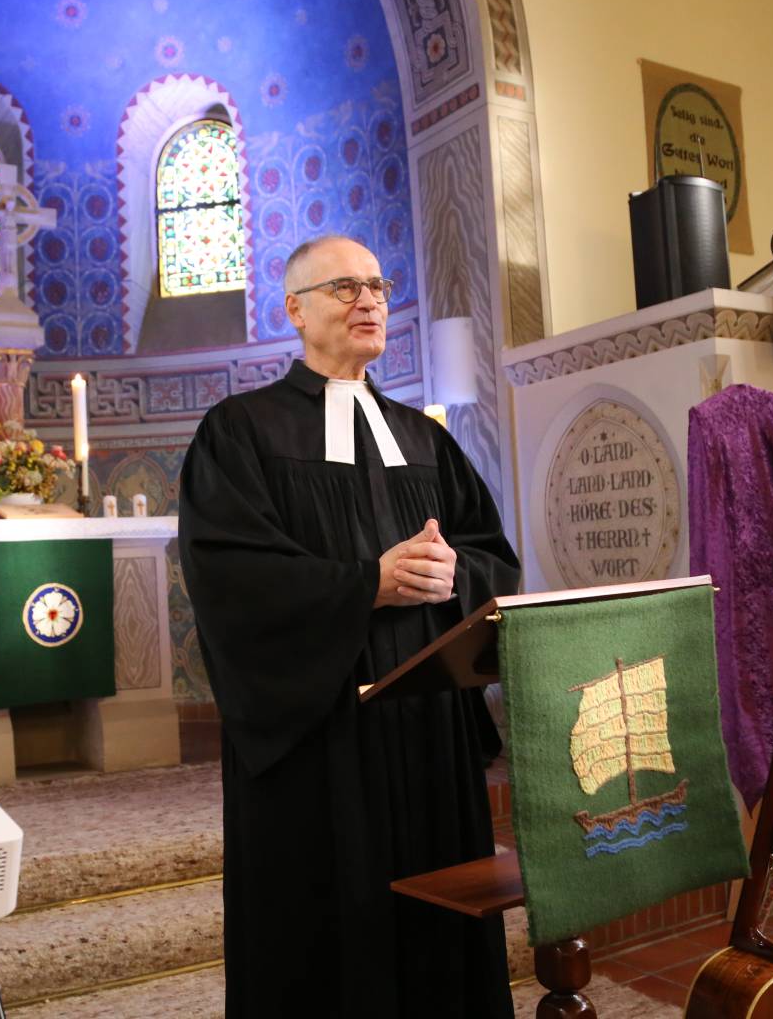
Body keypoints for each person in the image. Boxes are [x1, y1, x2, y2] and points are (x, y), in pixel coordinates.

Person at [178, 235, 519, 1017]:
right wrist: (367, 584)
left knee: (440, 925)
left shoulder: (424, 436)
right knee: (331, 928)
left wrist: (451, 575)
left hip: (428, 726)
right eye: (344, 288)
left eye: (377, 285)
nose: (369, 300)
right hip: (319, 732)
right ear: (295, 310)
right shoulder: (241, 432)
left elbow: (491, 557)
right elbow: (232, 576)